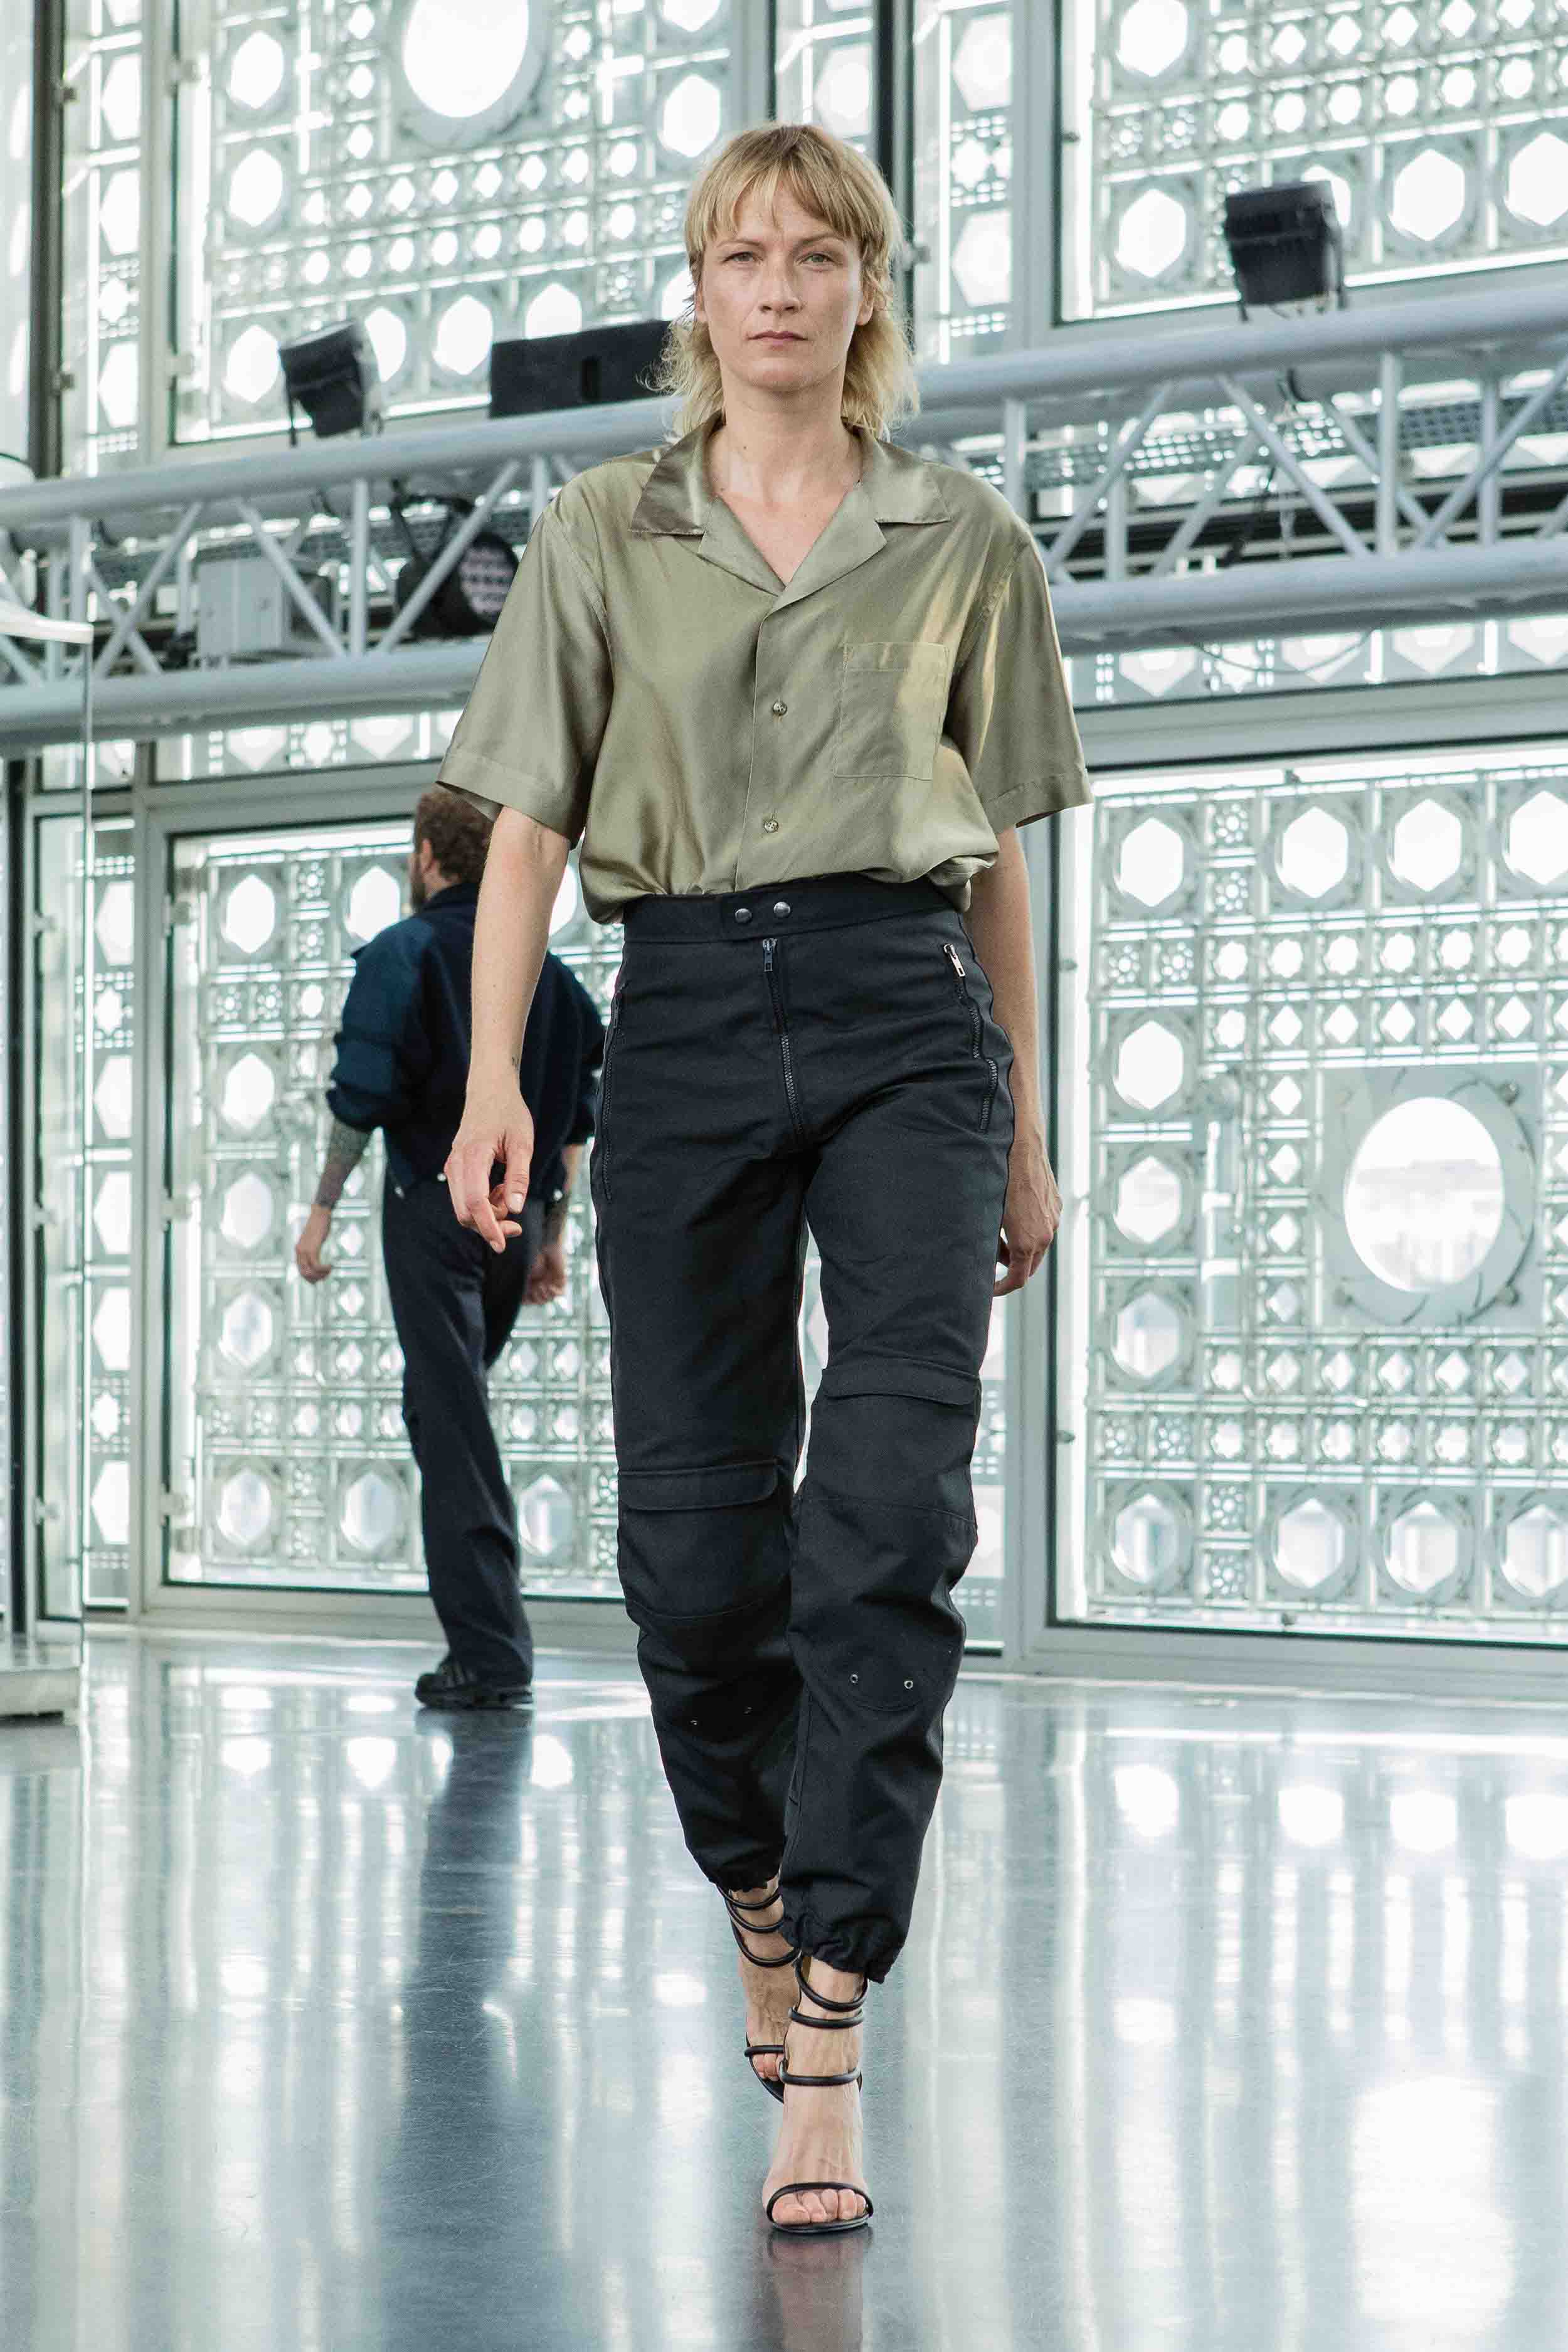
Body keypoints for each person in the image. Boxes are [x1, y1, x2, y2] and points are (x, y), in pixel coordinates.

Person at [435, 122, 1090, 2233]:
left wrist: (1028, 1123)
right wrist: (494, 1082)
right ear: (700, 292)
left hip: (908, 1020)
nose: (781, 287)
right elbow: (529, 828)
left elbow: (996, 862)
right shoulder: (597, 531)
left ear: (868, 287)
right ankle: (753, 1881)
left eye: (819, 254)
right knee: (699, 1559)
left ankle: (830, 2022)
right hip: (690, 1018)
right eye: (743, 255)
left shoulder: (961, 534)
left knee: (887, 1516)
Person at [294, 790, 605, 1710]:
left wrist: (319, 1214)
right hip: (517, 1223)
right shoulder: (550, 977)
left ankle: (492, 1655)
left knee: (452, 1420)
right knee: (442, 1412)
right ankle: (488, 1636)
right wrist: (552, 1237)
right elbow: (576, 1116)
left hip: (437, 1209)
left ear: (429, 856)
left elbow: (361, 1094)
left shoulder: (408, 951)